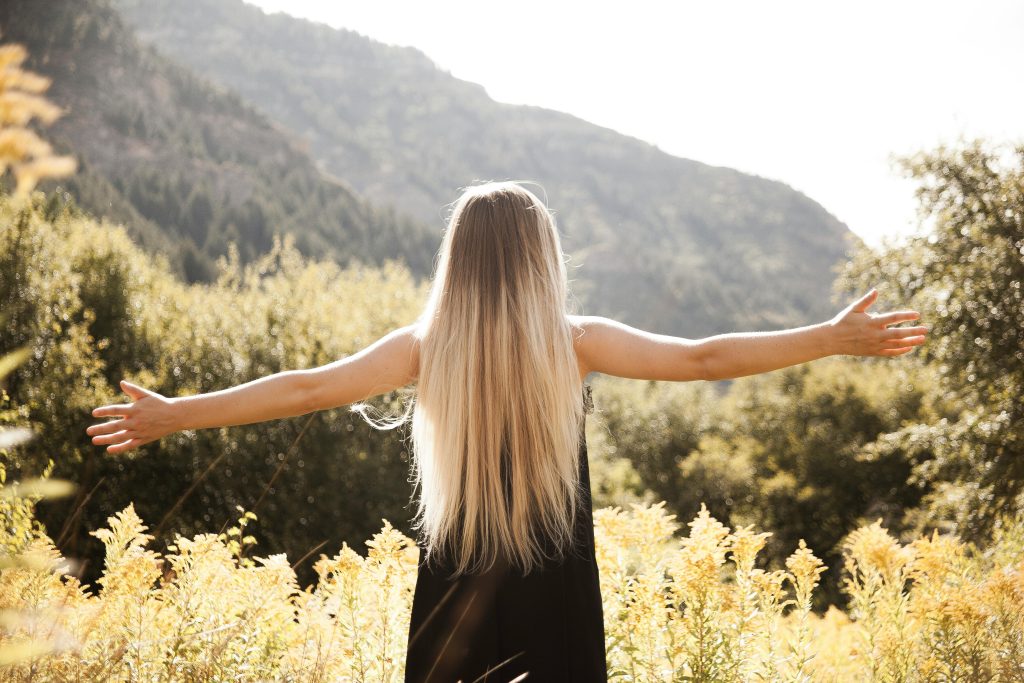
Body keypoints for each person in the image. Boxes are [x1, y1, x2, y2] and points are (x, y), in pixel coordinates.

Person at [86, 181, 928, 682]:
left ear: (457, 258)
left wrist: (175, 413)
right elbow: (706, 356)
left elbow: (305, 388)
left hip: (451, 597)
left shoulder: (424, 349)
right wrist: (829, 337)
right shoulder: (575, 342)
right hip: (558, 596)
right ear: (539, 258)